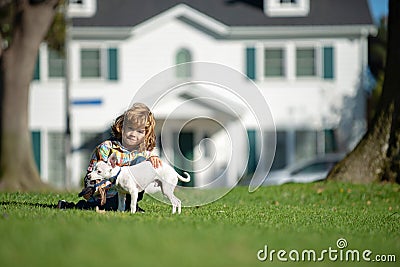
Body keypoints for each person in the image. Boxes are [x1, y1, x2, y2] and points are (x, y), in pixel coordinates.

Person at [58, 103, 161, 211]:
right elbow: (93, 174)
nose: (133, 134)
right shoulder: (106, 148)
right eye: (130, 128)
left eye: (140, 131)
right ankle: (69, 205)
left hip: (128, 194)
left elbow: (152, 164)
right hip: (106, 196)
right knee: (101, 205)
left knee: (142, 162)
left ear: (146, 134)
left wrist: (153, 159)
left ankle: (130, 205)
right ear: (122, 127)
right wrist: (92, 188)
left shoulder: (142, 153)